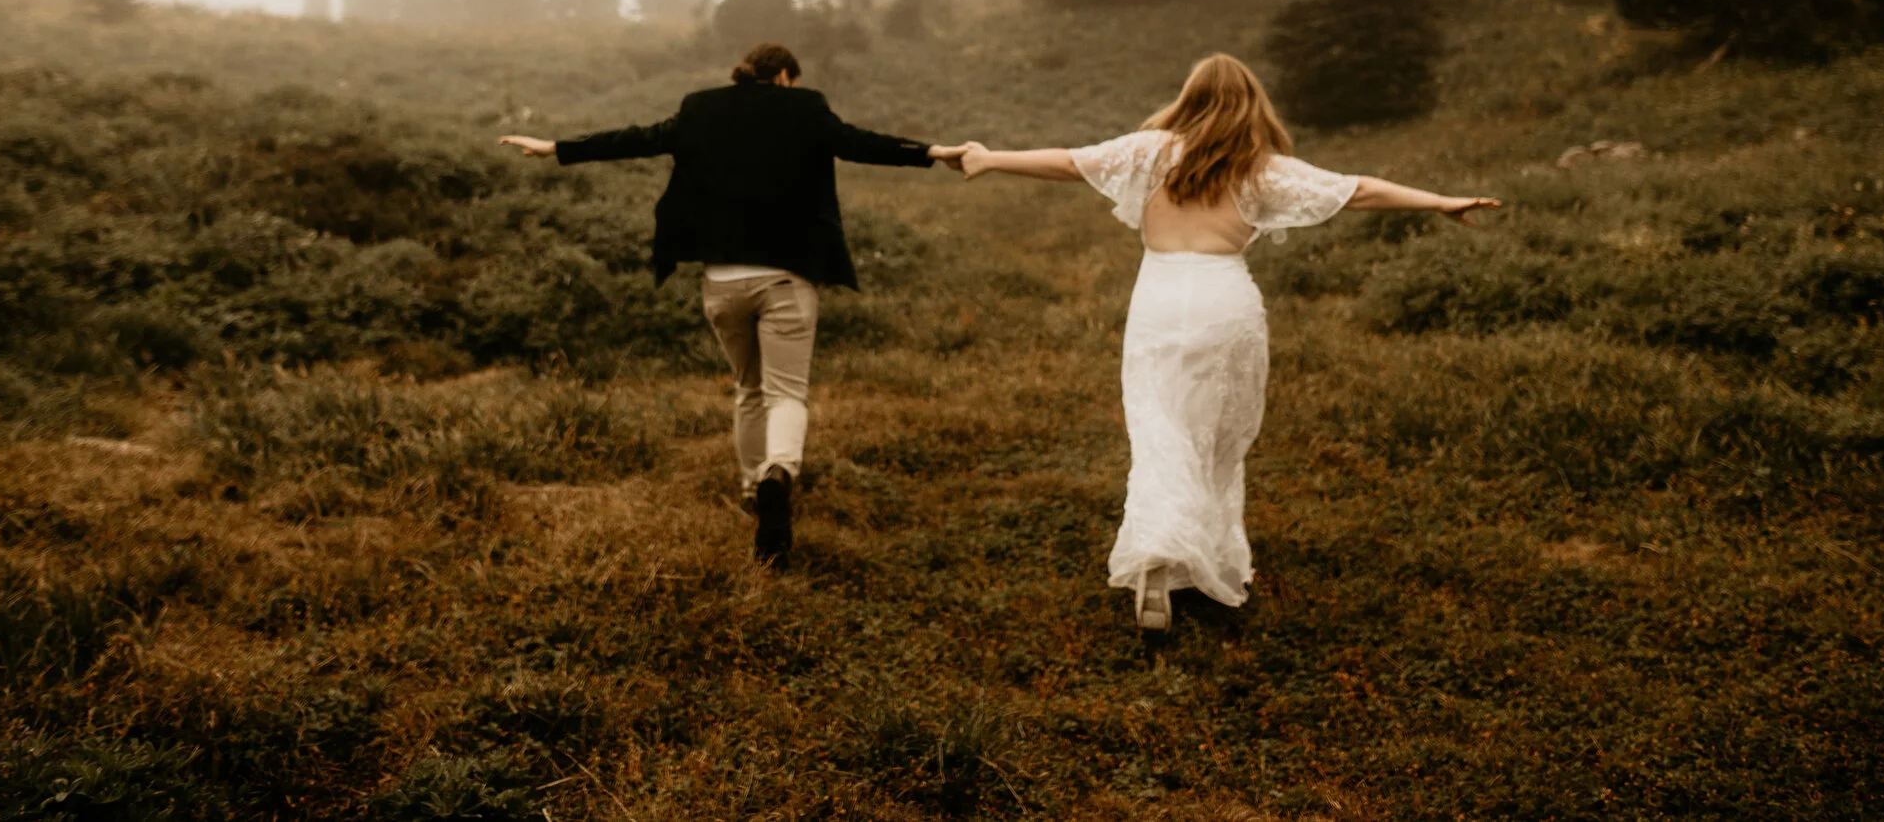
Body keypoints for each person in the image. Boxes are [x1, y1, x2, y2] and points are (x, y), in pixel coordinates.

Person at [958, 53, 1497, 632]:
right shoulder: (1259, 167)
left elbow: (1067, 162)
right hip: (1225, 303)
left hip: (1160, 299)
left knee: (1162, 429)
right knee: (1216, 436)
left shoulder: (1149, 152)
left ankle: (1162, 568)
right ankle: (1196, 559)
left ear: (1189, 97)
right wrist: (1439, 201)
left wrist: (989, 159)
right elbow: (1357, 191)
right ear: (1251, 104)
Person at [501, 42, 971, 566]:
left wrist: (557, 147)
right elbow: (861, 144)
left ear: (745, 75)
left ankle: (752, 489)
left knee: (749, 388)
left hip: (722, 282)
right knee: (786, 392)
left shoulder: (700, 107)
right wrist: (932, 151)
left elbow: (636, 140)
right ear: (787, 77)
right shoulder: (806, 107)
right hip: (786, 280)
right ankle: (780, 474)